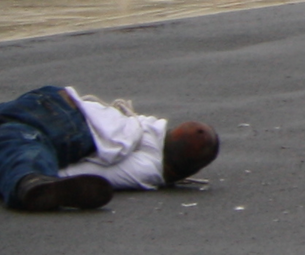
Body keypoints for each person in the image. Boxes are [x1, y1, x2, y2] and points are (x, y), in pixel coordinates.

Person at [0, 85, 218, 212]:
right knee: (21, 146)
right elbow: (99, 173)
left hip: (57, 98)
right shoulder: (148, 167)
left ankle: (28, 179)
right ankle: (30, 182)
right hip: (66, 126)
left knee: (11, 135)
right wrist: (46, 176)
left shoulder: (151, 127)